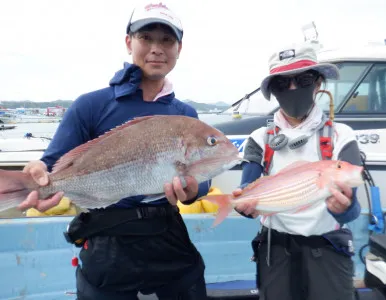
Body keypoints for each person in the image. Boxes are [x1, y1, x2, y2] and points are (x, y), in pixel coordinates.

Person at [17, 2, 210, 299]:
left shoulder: (185, 115)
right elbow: (53, 163)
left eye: (167, 40)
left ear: (179, 48)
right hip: (107, 240)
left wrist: (195, 190)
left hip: (167, 233)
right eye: (146, 38)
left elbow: (204, 174)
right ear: (128, 42)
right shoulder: (91, 105)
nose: (157, 48)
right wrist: (39, 172)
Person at [234, 44, 362, 300]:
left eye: (303, 79)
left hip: (328, 247)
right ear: (273, 92)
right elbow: (246, 191)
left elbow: (353, 208)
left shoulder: (342, 135)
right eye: (282, 83)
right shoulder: (259, 138)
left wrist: (345, 208)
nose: (293, 89)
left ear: (317, 83)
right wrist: (241, 204)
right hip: (275, 249)